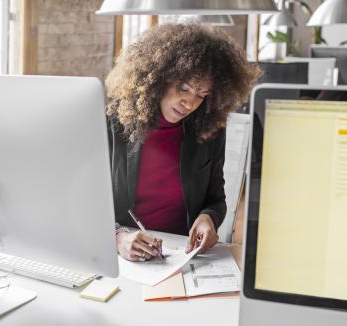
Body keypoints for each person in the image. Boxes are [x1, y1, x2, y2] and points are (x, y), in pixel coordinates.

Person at [105, 23, 260, 262]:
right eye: (184, 88)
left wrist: (209, 217)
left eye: (201, 94)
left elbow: (216, 200)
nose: (190, 103)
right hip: (125, 258)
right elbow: (84, 203)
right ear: (158, 77)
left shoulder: (209, 128)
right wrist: (117, 237)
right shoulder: (113, 123)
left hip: (181, 256)